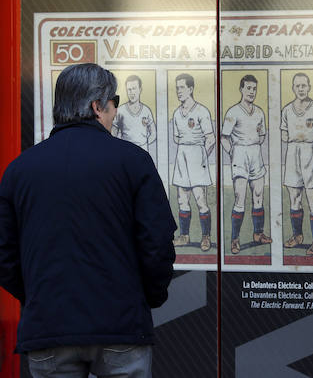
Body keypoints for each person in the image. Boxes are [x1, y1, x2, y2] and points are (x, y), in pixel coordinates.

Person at [0, 63, 175, 378]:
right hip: (120, 325)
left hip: (48, 328)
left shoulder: (18, 171)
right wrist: (147, 297)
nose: (115, 112)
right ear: (97, 106)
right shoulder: (133, 162)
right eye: (114, 103)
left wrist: (39, 295)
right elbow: (157, 242)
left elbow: (4, 255)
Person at [281, 72, 313, 255]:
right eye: (297, 86)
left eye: (304, 85)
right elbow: (283, 133)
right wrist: (293, 139)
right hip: (293, 153)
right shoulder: (287, 110)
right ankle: (297, 235)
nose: (301, 89)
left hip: (311, 154)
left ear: (309, 87)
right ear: (293, 88)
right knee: (294, 198)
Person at [222, 74, 271, 255]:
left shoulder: (259, 112)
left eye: (254, 89)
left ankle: (258, 234)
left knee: (258, 195)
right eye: (248, 88)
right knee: (240, 198)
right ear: (241, 89)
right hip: (240, 154)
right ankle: (235, 239)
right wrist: (233, 152)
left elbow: (263, 134)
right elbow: (224, 137)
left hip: (255, 153)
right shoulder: (233, 112)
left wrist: (255, 144)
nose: (251, 92)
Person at [171, 73, 215, 252]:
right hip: (182, 155)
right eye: (177, 88)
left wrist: (202, 158)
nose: (178, 91)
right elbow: (176, 138)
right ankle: (184, 236)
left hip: (197, 155)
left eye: (181, 87)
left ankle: (206, 237)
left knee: (200, 200)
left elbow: (210, 139)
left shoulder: (201, 111)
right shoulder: (176, 113)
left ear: (190, 89)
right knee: (182, 199)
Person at [112, 75, 157, 161]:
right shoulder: (120, 111)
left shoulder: (146, 110)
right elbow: (113, 133)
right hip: (126, 153)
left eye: (134, 88)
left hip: (143, 151)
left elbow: (153, 133)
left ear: (140, 89)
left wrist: (144, 143)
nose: (131, 92)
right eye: (129, 89)